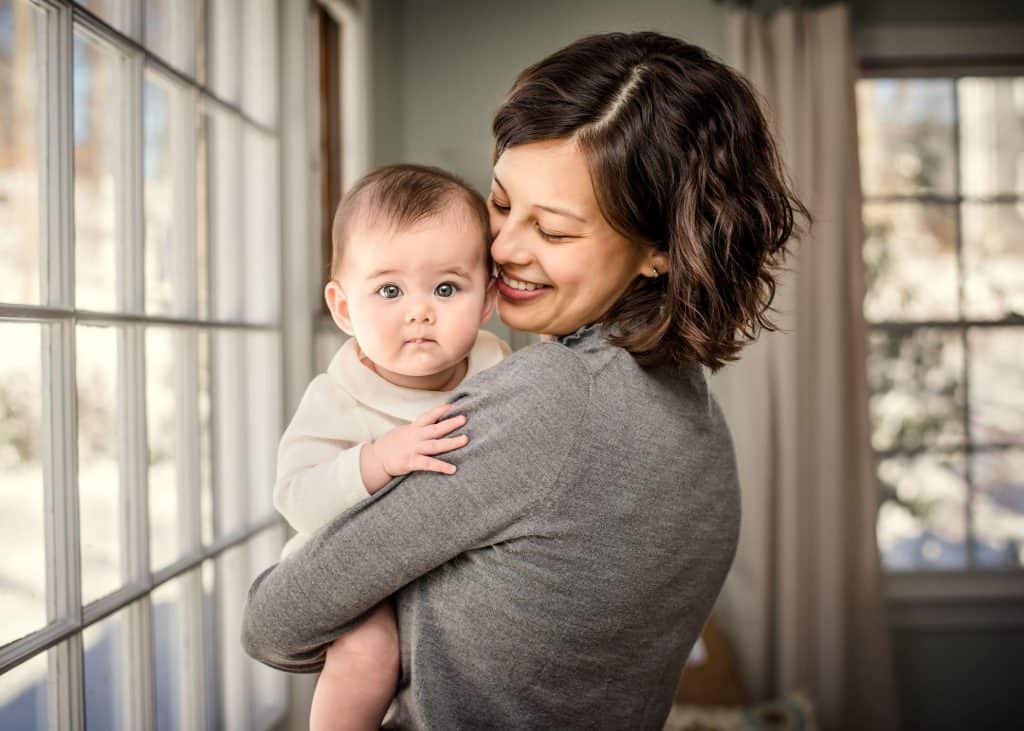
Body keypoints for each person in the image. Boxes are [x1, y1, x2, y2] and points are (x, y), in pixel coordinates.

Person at [244, 31, 808, 729]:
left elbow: (276, 621)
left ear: (659, 250)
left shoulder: (551, 403)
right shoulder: (698, 418)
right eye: (503, 202)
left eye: (555, 231)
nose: (504, 248)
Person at [272, 164, 508, 730]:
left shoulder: (500, 370)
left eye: (446, 288)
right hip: (356, 576)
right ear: (344, 308)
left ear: (487, 299)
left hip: (450, 571)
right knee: (368, 653)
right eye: (390, 290)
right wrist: (376, 459)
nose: (419, 311)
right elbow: (296, 498)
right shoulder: (338, 396)